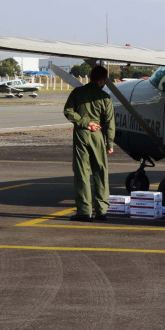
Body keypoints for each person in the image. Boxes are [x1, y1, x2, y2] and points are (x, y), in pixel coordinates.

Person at [63, 65, 114, 222]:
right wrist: (109, 143)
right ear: (102, 80)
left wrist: (85, 123)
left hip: (81, 134)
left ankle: (84, 211)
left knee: (82, 172)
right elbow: (109, 123)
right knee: (101, 172)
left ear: (91, 77)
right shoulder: (105, 97)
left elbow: (68, 111)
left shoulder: (77, 92)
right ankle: (102, 210)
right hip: (97, 135)